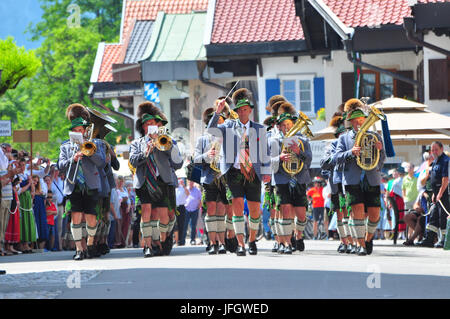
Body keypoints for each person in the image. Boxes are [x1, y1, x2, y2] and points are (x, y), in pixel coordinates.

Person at [208, 88, 271, 256]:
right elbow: (211, 130)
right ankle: (241, 244)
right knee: (236, 206)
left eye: (245, 109)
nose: (242, 112)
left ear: (250, 110)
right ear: (236, 112)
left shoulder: (259, 129)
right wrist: (218, 111)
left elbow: (265, 152)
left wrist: (267, 172)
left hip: (253, 172)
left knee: (254, 209)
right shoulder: (229, 125)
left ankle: (252, 240)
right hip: (234, 171)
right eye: (239, 110)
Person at [333, 98, 385, 256]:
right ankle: (361, 245)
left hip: (371, 178)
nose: (358, 124)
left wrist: (380, 150)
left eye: (361, 120)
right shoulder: (344, 138)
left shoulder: (375, 136)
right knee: (358, 212)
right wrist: (351, 152)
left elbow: (382, 160)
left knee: (375, 215)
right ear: (350, 122)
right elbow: (336, 158)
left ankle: (367, 238)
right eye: (355, 121)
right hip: (352, 179)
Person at [129, 101, 179, 257]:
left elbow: (178, 163)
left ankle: (162, 240)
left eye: (152, 123)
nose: (150, 126)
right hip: (144, 182)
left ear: (157, 126)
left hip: (161, 180)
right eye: (147, 124)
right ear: (143, 127)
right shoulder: (137, 143)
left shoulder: (167, 141)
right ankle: (149, 246)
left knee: (163, 214)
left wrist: (166, 145)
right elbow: (133, 161)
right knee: (147, 212)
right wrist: (146, 152)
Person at [58, 103, 106, 260]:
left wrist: (88, 152)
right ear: (72, 132)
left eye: (81, 130)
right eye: (76, 130)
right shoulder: (65, 147)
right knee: (76, 216)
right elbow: (61, 166)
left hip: (91, 184)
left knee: (92, 218)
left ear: (85, 131)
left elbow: (101, 162)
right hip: (74, 184)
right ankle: (79, 249)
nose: (79, 132)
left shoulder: (95, 144)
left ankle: (90, 242)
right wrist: (73, 158)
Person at [269, 102, 312, 254]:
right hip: (281, 179)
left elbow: (308, 162)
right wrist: (279, 158)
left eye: (289, 124)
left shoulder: (303, 140)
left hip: (299, 179)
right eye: (283, 125)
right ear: (279, 127)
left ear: (293, 124)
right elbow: (268, 163)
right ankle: (286, 243)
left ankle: (298, 236)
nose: (286, 127)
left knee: (301, 215)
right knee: (285, 210)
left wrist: (299, 152)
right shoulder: (274, 141)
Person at [194, 101, 232, 254]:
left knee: (221, 210)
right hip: (209, 177)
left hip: (223, 177)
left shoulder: (227, 138)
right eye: (216, 121)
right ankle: (212, 242)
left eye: (221, 121)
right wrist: (206, 155)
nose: (219, 123)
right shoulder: (202, 140)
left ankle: (222, 242)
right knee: (211, 210)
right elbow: (195, 158)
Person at [417, 141, 449, 248]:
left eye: (436, 149)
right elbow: (433, 178)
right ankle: (429, 239)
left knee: (443, 217)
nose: (434, 151)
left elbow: (445, 179)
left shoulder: (445, 161)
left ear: (441, 149)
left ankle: (444, 240)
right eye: (432, 149)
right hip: (437, 193)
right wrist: (435, 194)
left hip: (445, 194)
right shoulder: (435, 161)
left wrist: (440, 193)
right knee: (434, 216)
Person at [183, 181, 202, 246]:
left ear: (193, 183)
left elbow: (200, 199)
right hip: (187, 209)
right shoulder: (186, 189)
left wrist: (198, 208)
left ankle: (192, 240)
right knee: (185, 225)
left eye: (191, 182)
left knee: (193, 226)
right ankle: (182, 240)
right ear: (188, 182)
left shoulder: (197, 190)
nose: (190, 183)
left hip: (194, 210)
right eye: (189, 182)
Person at [175, 178, 189, 246]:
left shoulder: (183, 188)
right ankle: (175, 240)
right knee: (174, 225)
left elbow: (188, 193)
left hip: (181, 207)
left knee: (181, 224)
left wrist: (183, 186)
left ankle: (181, 240)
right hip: (175, 207)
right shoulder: (174, 188)